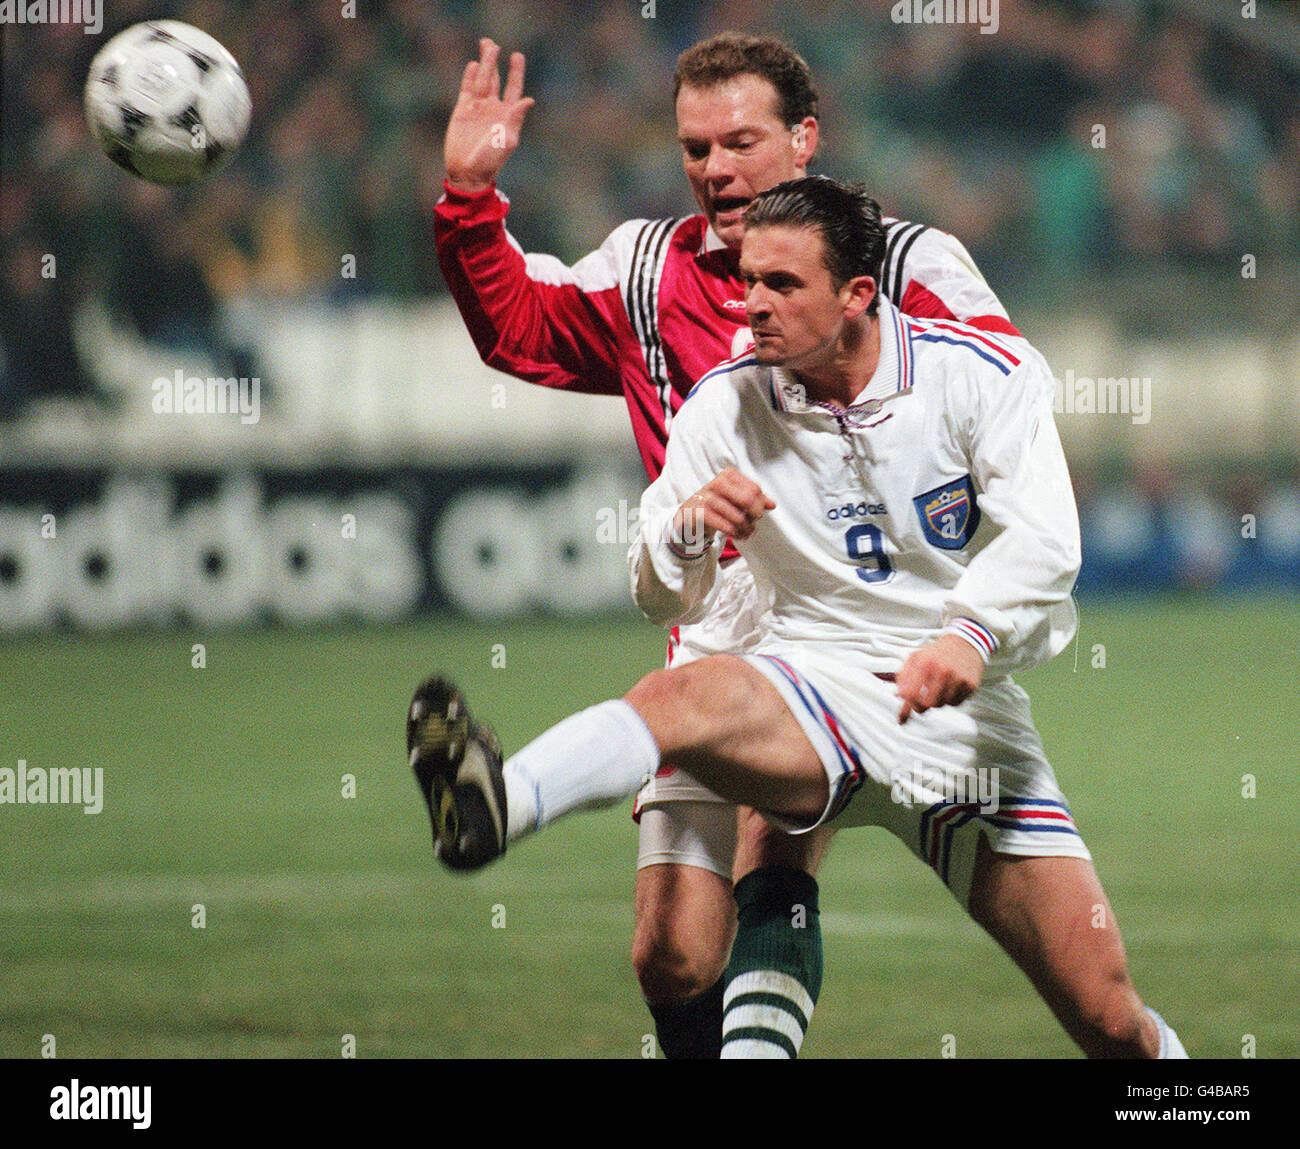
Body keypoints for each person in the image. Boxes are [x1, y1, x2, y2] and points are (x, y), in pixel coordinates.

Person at [410, 175, 1188, 1059]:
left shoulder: (977, 374)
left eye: (783, 285)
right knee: (681, 702)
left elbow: (1048, 539)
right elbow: (657, 590)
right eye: (748, 281)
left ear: (859, 294)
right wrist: (690, 532)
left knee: (1108, 1017)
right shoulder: (725, 403)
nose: (752, 307)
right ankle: (498, 805)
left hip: (966, 724)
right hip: (808, 679)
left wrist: (968, 632)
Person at [432, 31, 1021, 1059]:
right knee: (670, 953)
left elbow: (1001, 405)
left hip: (857, 618)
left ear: (805, 139)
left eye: (740, 140)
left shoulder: (906, 265)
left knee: (771, 845)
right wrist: (470, 198)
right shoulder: (647, 269)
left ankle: (513, 796)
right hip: (709, 622)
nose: (716, 168)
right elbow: (518, 327)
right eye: (696, 148)